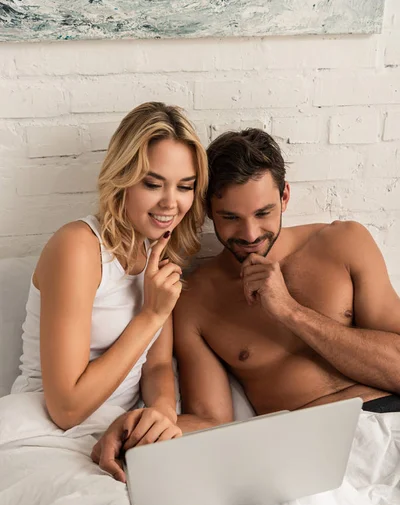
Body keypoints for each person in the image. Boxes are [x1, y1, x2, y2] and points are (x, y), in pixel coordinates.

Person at [93, 127, 400, 482]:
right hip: (308, 450)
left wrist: (289, 311)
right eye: (230, 218)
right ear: (208, 210)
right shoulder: (196, 300)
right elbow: (211, 421)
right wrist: (135, 431)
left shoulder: (344, 242)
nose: (251, 234)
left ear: (285, 196)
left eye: (263, 212)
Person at [12, 102, 208, 456]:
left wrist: (161, 414)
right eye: (153, 184)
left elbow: (159, 364)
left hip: (120, 427)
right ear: (123, 179)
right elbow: (66, 408)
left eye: (185, 187)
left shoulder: (159, 251)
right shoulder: (78, 248)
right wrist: (152, 314)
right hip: (48, 429)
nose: (171, 203)